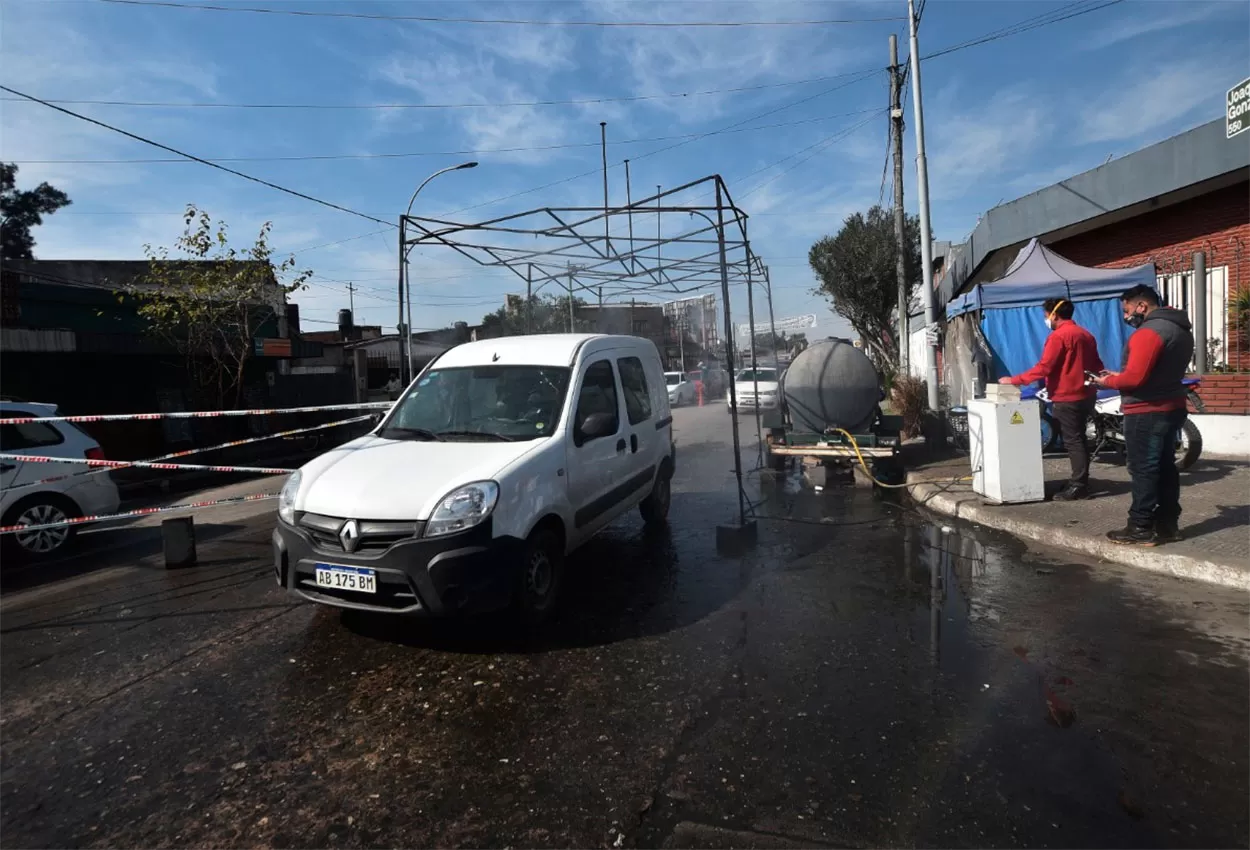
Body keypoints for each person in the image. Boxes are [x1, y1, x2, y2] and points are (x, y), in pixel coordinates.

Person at [1093, 284, 1194, 545]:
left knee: (1143, 469)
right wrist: (1120, 376)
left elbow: (1135, 379)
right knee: (1164, 467)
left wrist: (1106, 382)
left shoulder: (1149, 332)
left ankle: (1140, 526)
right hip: (1171, 405)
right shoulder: (1181, 330)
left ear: (1141, 305)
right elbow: (1153, 371)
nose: (1126, 316)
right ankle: (1168, 525)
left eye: (1127, 309)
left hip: (1147, 411)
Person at [999, 298, 1103, 501]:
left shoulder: (1058, 337)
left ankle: (1079, 485)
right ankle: (1080, 479)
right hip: (1086, 395)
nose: (1046, 319)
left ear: (1054, 314)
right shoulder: (1086, 335)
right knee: (1079, 439)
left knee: (1073, 441)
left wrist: (1014, 380)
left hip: (1066, 396)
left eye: (1046, 315)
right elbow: (1097, 364)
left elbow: (1045, 367)